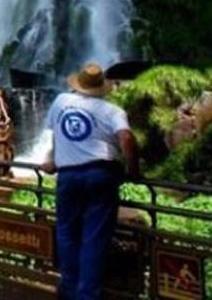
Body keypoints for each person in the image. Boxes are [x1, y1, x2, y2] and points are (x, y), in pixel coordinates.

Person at [41, 63, 140, 300]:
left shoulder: (61, 101)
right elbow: (126, 138)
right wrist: (133, 169)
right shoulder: (112, 111)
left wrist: (54, 159)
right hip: (100, 173)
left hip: (68, 175)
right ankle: (86, 295)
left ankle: (68, 289)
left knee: (66, 233)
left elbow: (56, 133)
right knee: (94, 237)